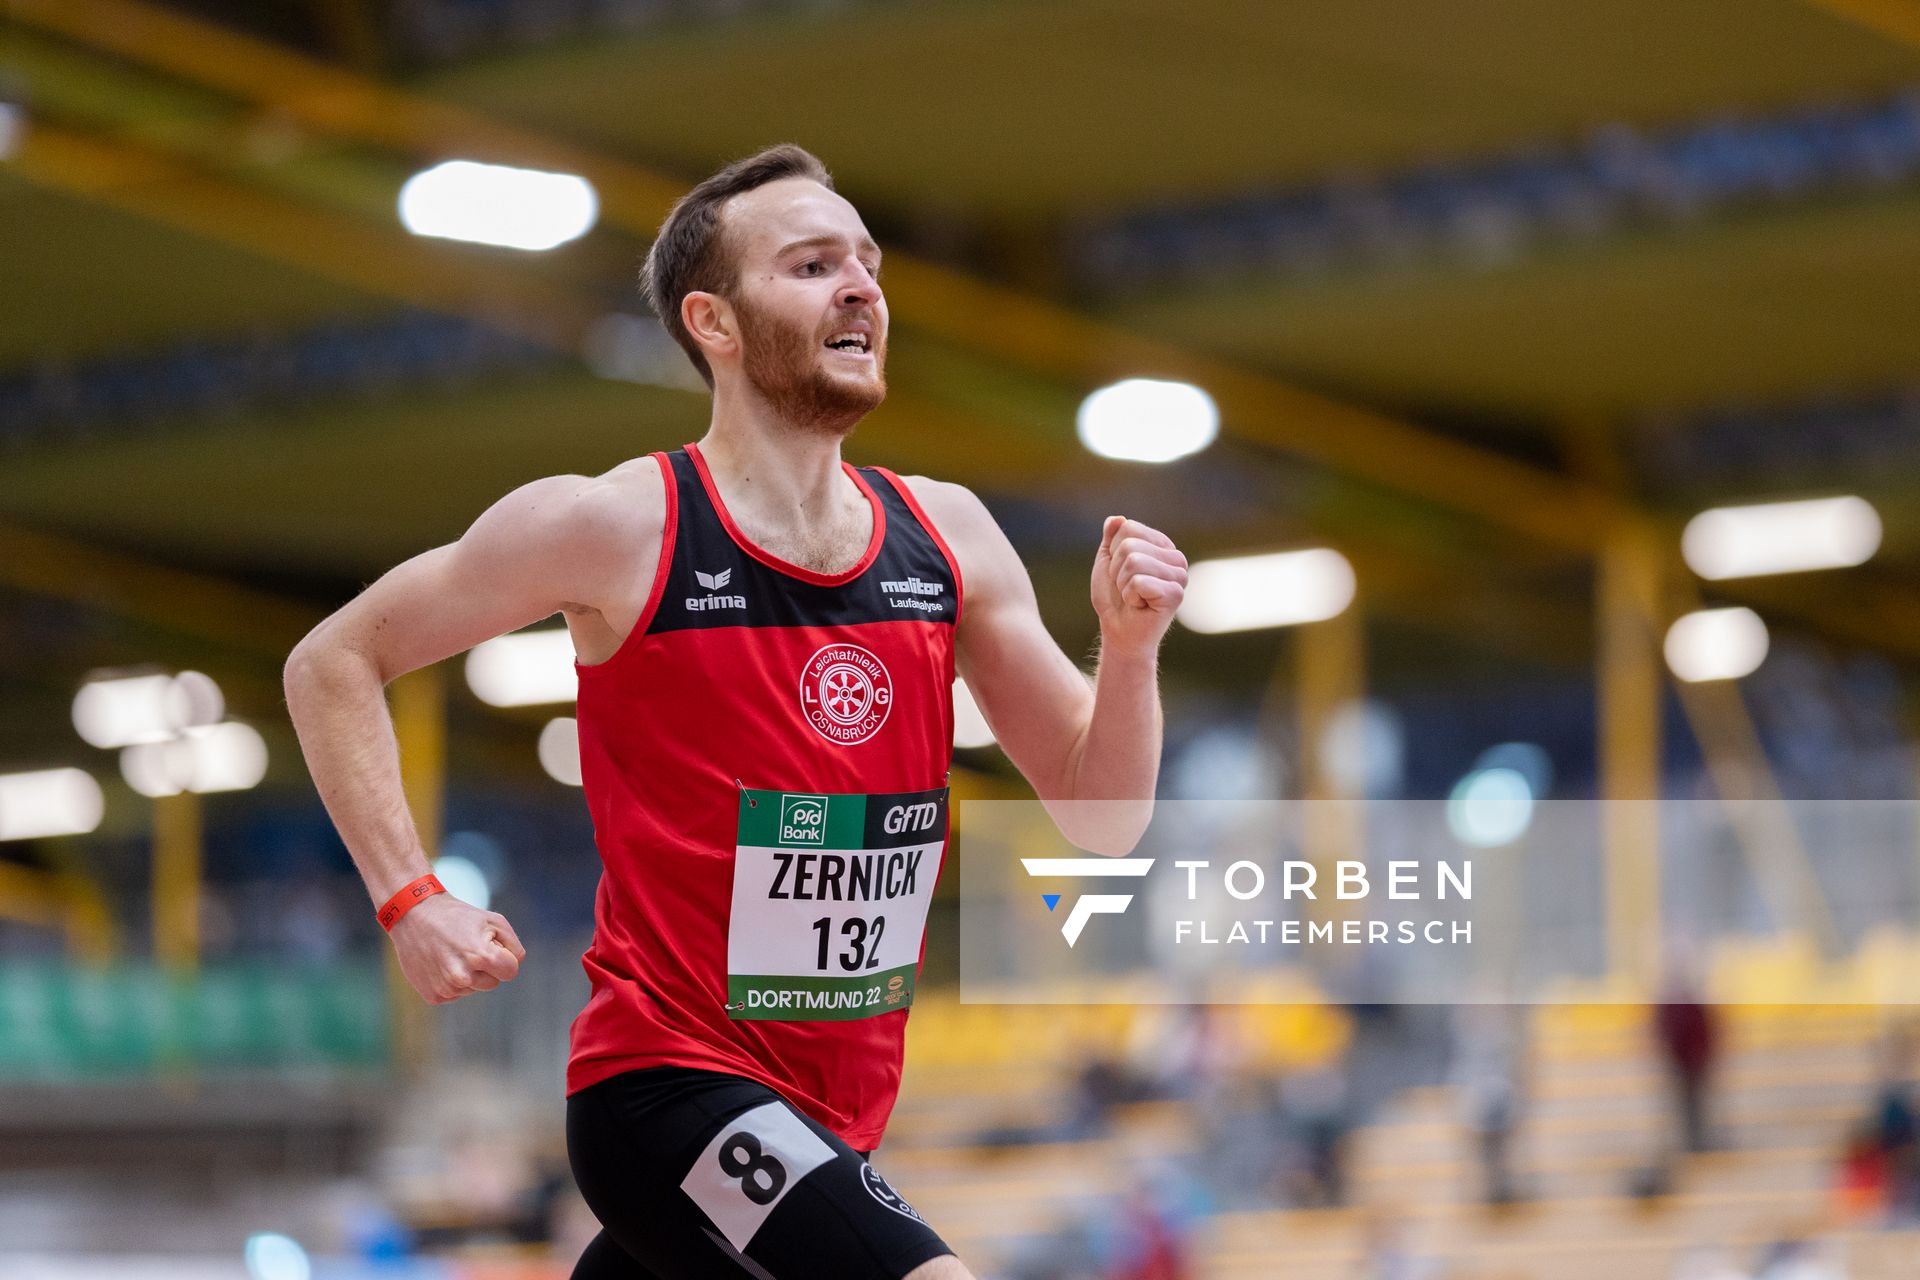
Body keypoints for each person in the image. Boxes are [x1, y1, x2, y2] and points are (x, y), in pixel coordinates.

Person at [283, 144, 1188, 1280]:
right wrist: (412, 896)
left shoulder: (947, 536)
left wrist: (1134, 651)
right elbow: (334, 659)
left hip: (834, 1114)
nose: (861, 285)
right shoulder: (619, 527)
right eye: (812, 265)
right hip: (664, 1088)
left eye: (867, 261)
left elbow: (1101, 815)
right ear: (713, 321)